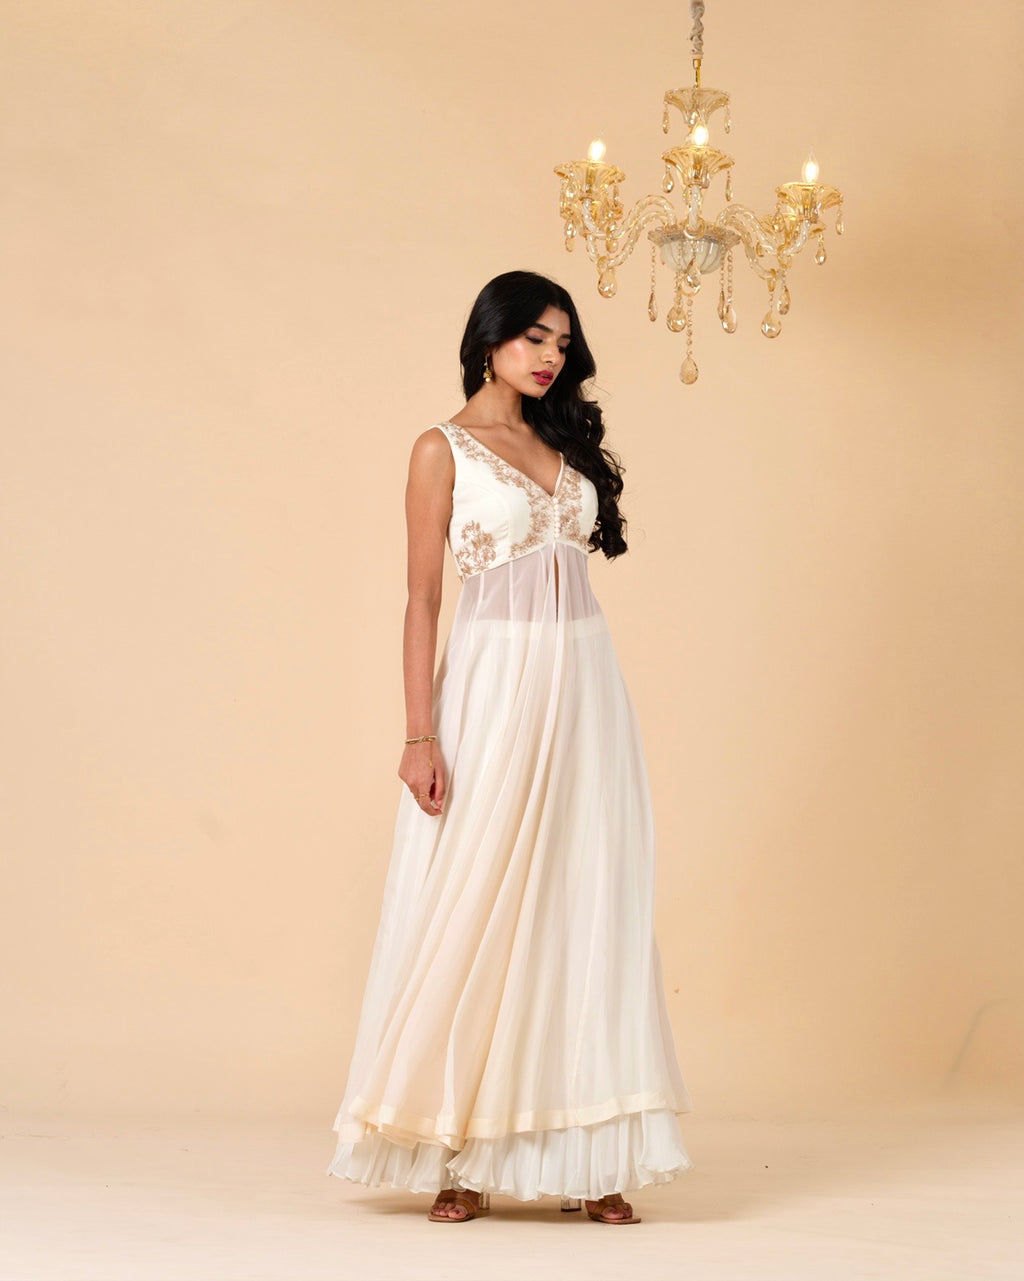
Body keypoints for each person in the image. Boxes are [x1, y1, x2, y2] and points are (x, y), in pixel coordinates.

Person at [326, 270, 693, 1224]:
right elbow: (422, 599)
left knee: (586, 898)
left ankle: (590, 1155)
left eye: (561, 344)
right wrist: (419, 733)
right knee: (476, 902)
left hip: (585, 691)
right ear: (489, 337)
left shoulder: (565, 442)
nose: (548, 356)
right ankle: (459, 1153)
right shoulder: (440, 448)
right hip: (490, 688)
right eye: (534, 337)